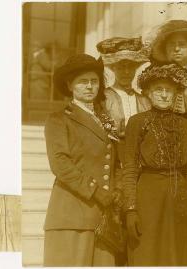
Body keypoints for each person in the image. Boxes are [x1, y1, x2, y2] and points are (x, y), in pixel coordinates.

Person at [43, 54, 122, 266]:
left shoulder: (105, 119)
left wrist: (117, 192)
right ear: (70, 85)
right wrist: (96, 191)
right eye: (83, 81)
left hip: (103, 219)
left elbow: (115, 163)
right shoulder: (59, 119)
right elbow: (60, 164)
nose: (89, 87)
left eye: (94, 81)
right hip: (72, 215)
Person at [121, 63, 187, 266]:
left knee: (180, 256)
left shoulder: (185, 125)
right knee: (147, 254)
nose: (164, 95)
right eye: (159, 90)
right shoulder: (137, 122)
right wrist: (130, 209)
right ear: (148, 92)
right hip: (148, 198)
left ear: (176, 93)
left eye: (169, 90)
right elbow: (130, 168)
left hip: (180, 199)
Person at [97, 37, 151, 161]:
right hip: (112, 157)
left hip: (140, 157)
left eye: (131, 67)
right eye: (121, 67)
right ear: (113, 68)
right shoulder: (103, 98)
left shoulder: (145, 101)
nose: (126, 72)